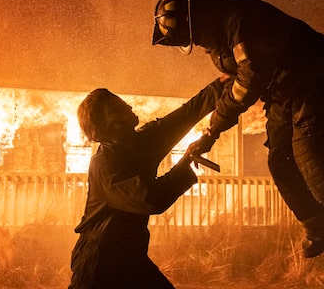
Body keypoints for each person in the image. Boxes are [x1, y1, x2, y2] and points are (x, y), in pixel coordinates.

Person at [151, 0, 324, 275]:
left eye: (193, 35)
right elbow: (232, 83)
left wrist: (213, 130)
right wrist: (208, 130)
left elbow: (249, 81)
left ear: (196, 18)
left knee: (312, 153)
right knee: (280, 161)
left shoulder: (238, 20)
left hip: (313, 80)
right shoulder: (220, 40)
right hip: (283, 93)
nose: (196, 42)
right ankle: (319, 227)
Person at [69, 76, 227, 288]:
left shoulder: (142, 141)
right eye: (118, 108)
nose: (129, 107)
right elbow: (150, 199)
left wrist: (221, 84)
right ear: (108, 125)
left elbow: (186, 114)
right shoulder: (105, 166)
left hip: (131, 258)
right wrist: (184, 163)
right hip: (99, 264)